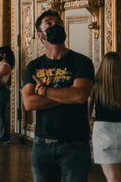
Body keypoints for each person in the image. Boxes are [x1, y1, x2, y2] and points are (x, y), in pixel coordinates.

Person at [22, 10, 94, 182]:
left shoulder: (82, 62)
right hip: (42, 145)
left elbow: (79, 96)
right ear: (40, 34)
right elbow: (29, 103)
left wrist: (44, 91)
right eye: (49, 23)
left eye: (59, 22)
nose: (56, 25)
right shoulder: (33, 66)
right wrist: (65, 93)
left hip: (75, 144)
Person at [88, 52, 121, 182]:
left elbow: (87, 112)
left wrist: (87, 128)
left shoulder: (95, 85)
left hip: (103, 131)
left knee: (112, 177)